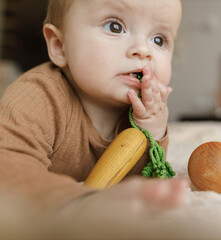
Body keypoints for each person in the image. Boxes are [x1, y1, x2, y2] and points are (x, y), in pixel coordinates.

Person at [0, 0, 187, 213]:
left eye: (158, 40)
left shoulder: (139, 110)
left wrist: (153, 130)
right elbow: (8, 166)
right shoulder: (37, 95)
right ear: (59, 46)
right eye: (115, 27)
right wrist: (75, 201)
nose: (143, 50)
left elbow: (144, 174)